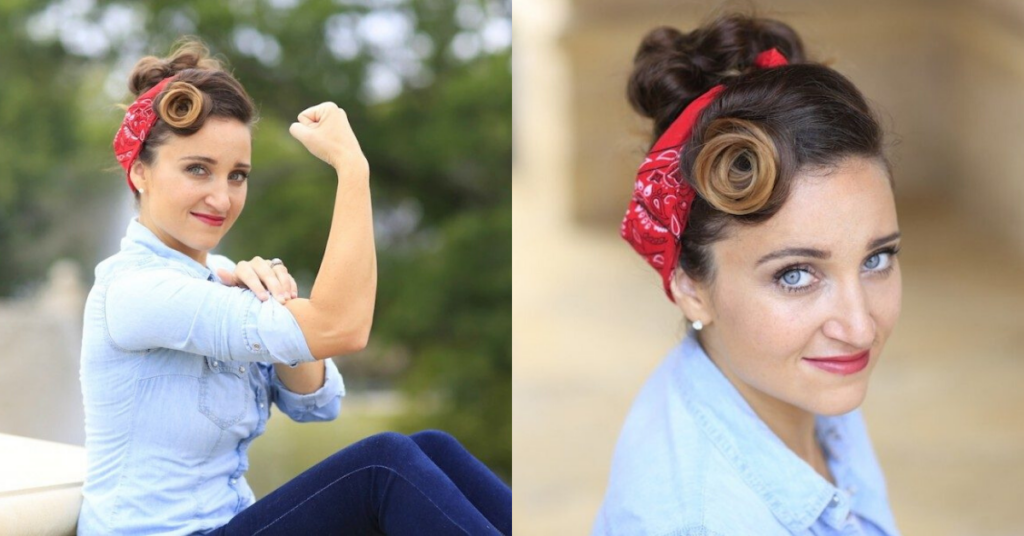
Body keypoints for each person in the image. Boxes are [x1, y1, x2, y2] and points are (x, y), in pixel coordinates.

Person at [78, 39, 511, 536]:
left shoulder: (218, 278)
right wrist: (352, 170)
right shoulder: (135, 290)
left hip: (227, 524)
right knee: (383, 466)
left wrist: (272, 296)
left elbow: (315, 403)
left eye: (237, 175)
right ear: (139, 173)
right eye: (197, 169)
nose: (221, 197)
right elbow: (341, 328)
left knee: (433, 447)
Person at [593, 14, 903, 536]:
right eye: (796, 275)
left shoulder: (800, 384)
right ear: (690, 287)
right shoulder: (697, 520)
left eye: (875, 260)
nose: (860, 327)